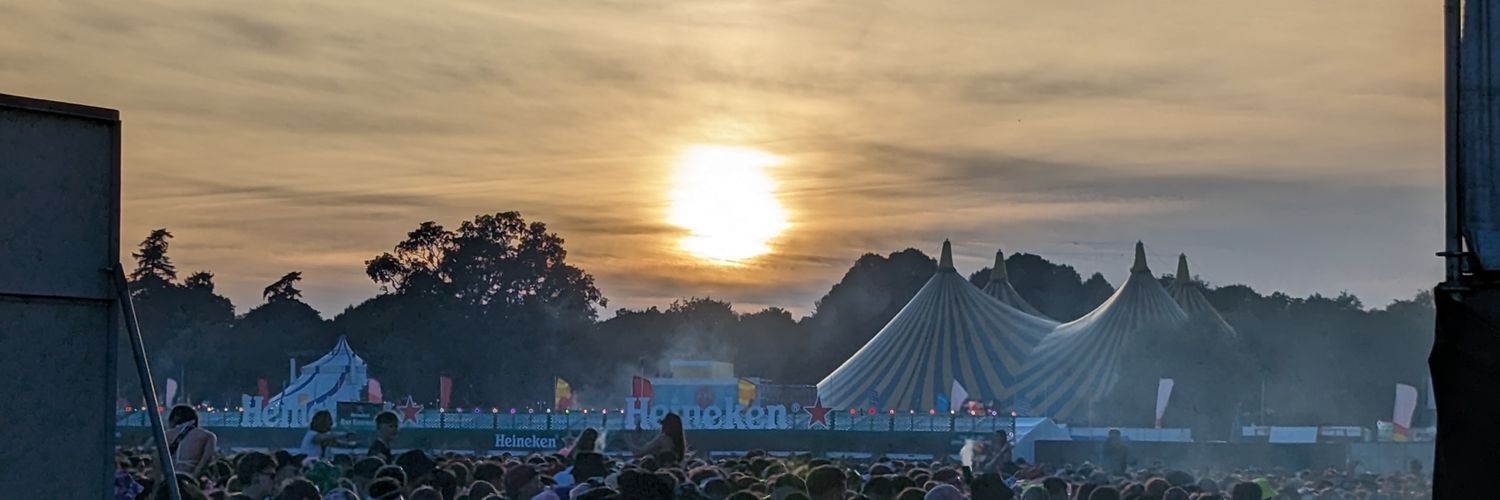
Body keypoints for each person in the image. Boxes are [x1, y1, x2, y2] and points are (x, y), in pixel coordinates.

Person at [164, 405, 218, 478]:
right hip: (190, 477)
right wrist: (192, 479)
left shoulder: (166, 435)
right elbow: (206, 460)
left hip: (168, 479)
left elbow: (157, 460)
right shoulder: (208, 436)